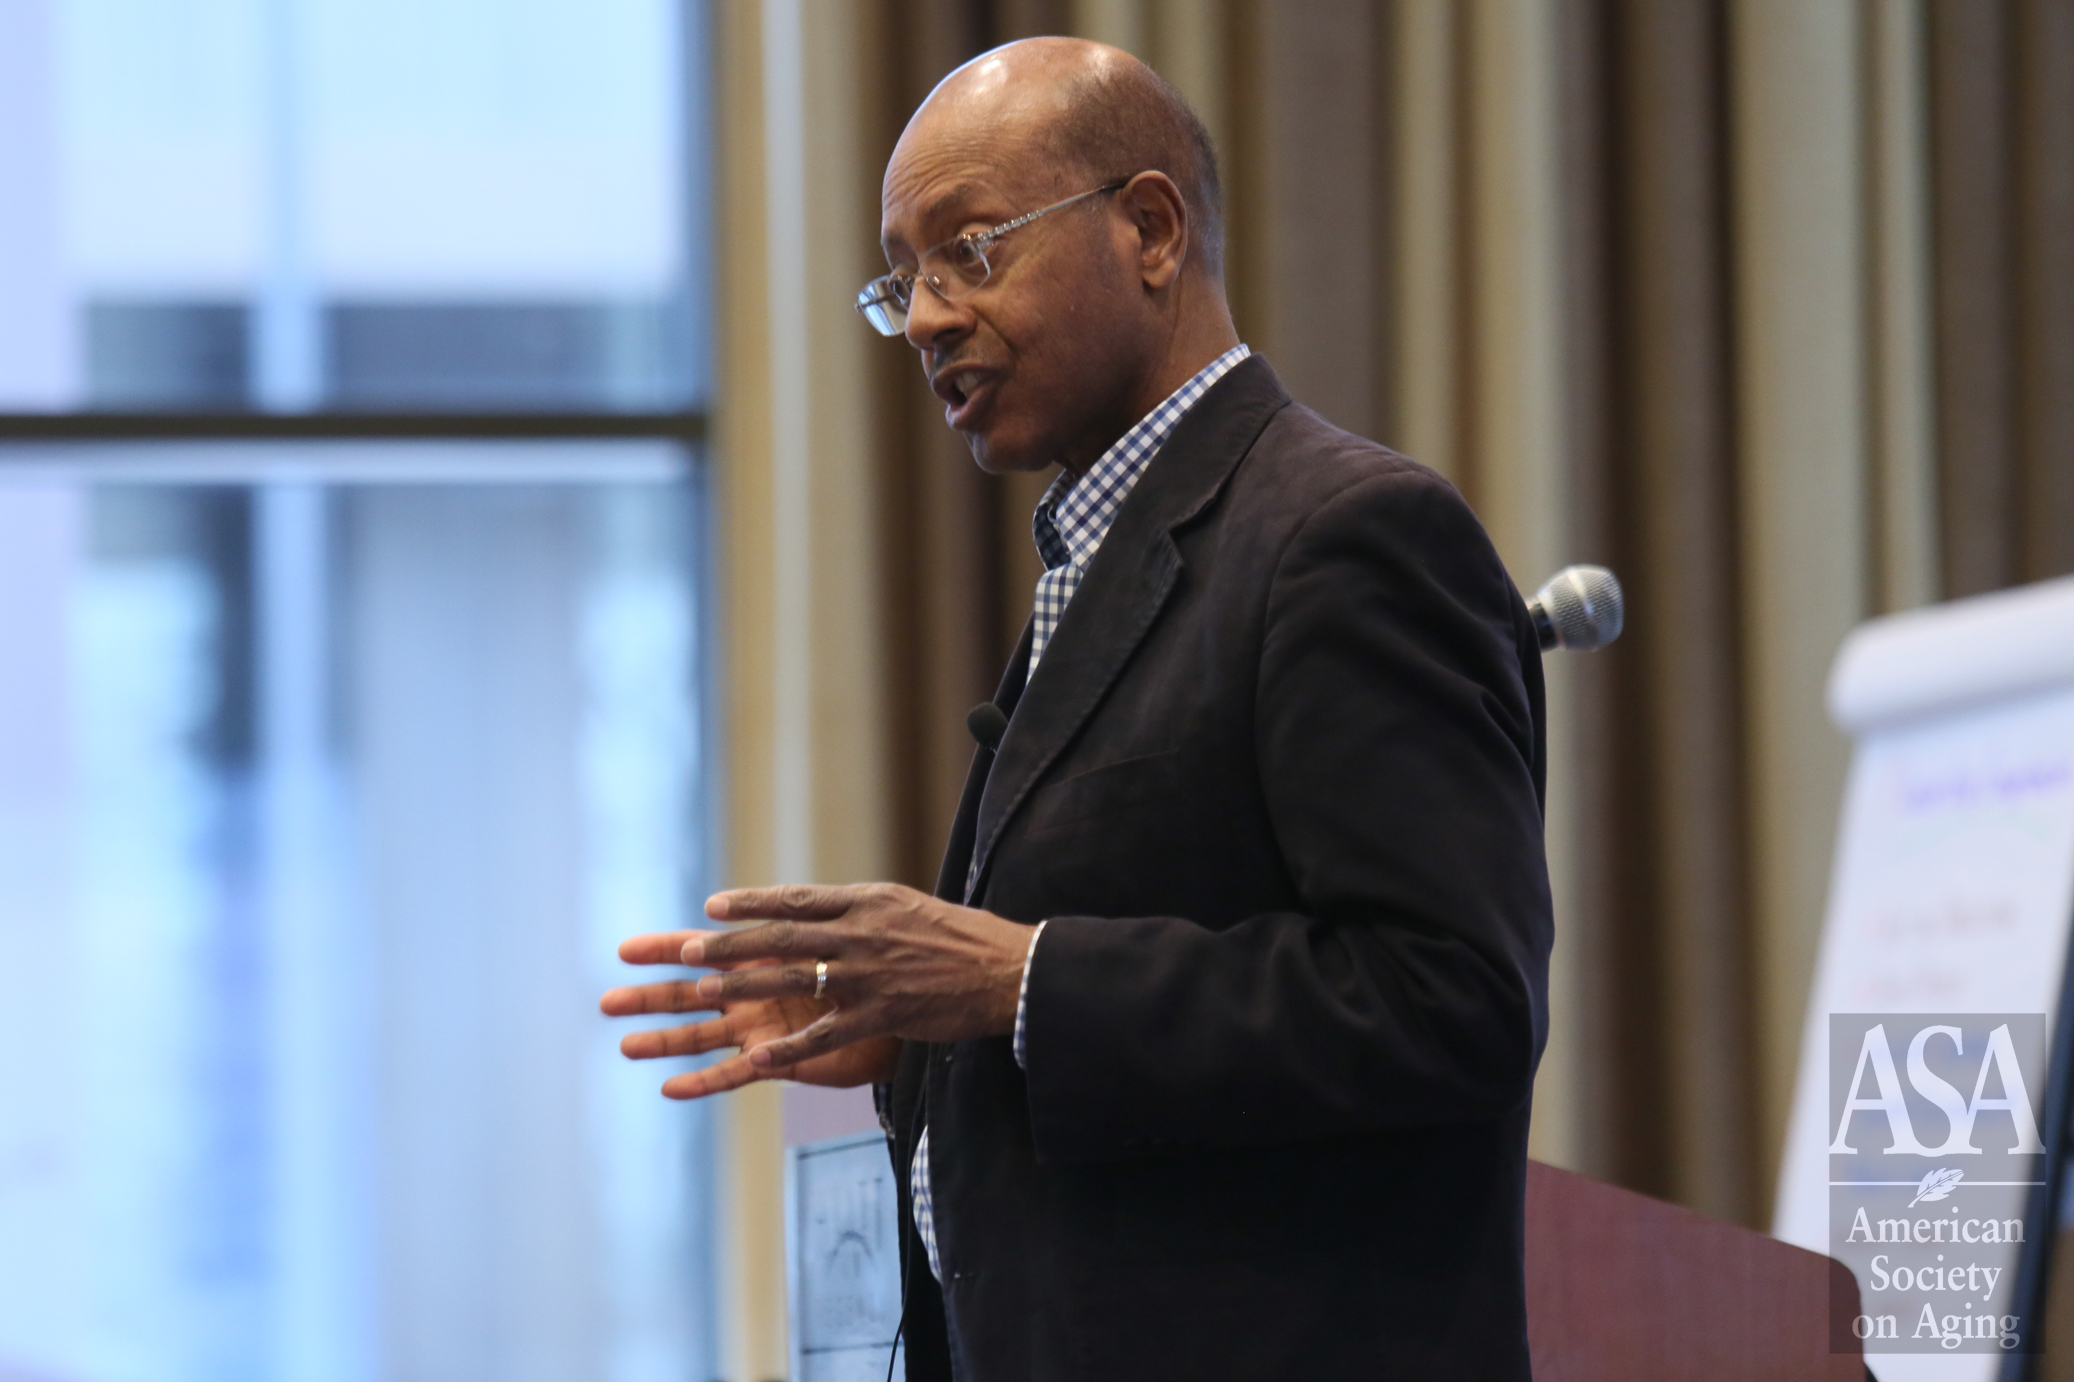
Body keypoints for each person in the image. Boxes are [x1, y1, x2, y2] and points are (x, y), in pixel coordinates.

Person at [601, 36, 1552, 1382]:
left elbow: (1451, 999)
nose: (926, 315)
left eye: (969, 250)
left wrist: (1010, 976)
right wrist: (918, 1031)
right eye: (902, 281)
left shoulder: (1345, 536)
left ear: (1150, 230)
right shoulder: (1102, 558)